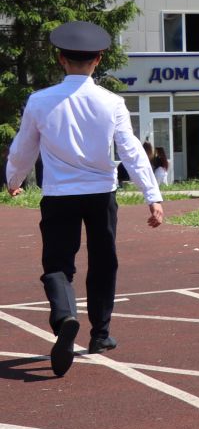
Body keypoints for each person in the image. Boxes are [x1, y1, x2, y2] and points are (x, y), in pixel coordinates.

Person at [5, 21, 165, 374]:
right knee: (103, 261)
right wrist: (151, 195)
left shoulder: (40, 100)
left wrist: (13, 180)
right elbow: (131, 151)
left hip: (60, 194)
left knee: (58, 264)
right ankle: (101, 334)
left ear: (61, 59)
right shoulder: (112, 102)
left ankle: (65, 316)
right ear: (98, 59)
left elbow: (22, 148)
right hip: (101, 193)